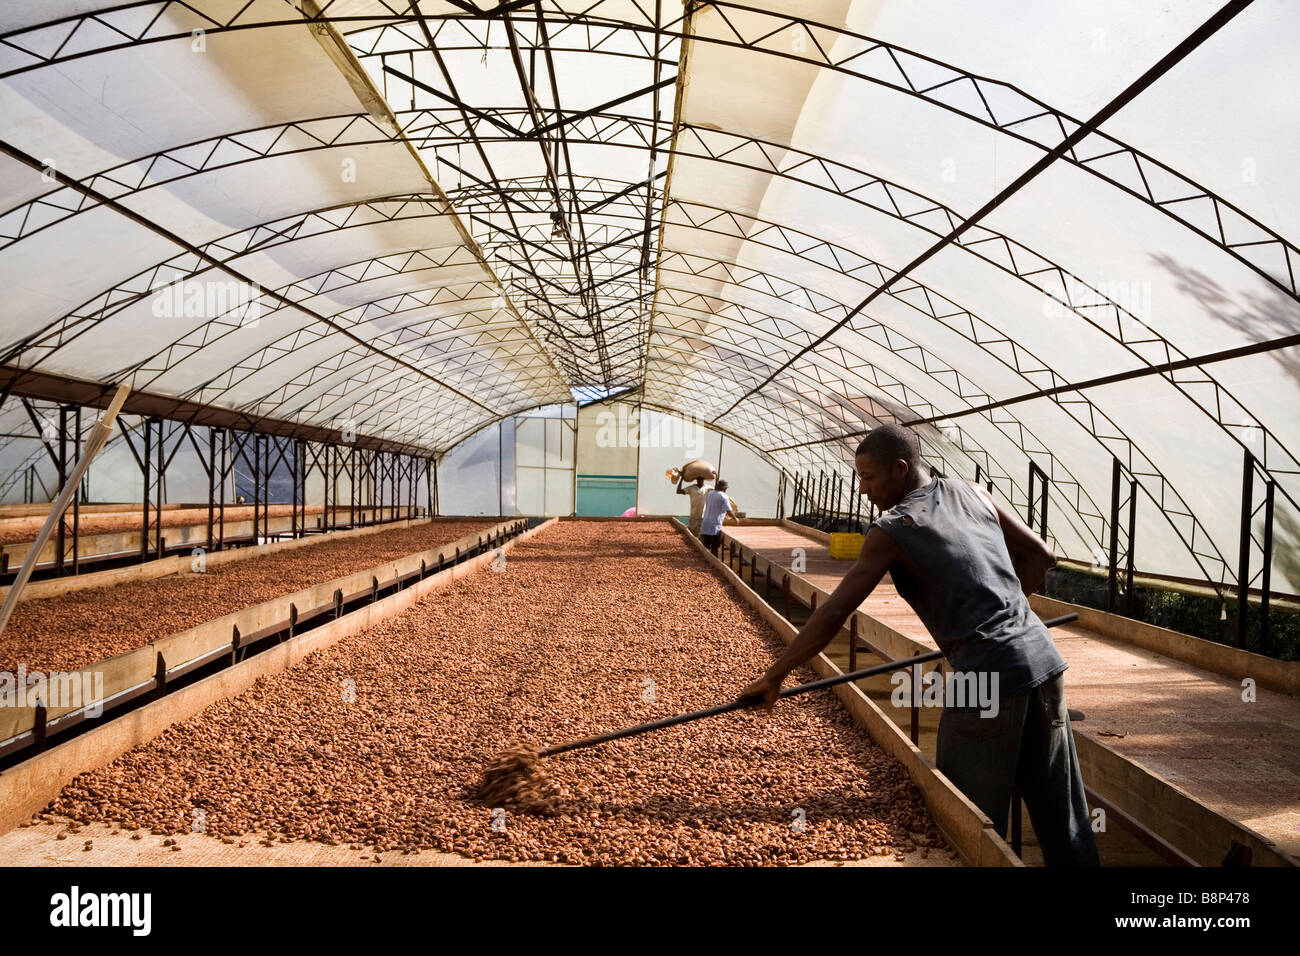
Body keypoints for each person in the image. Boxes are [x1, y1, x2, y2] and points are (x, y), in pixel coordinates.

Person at [738, 424, 1099, 867]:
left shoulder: (894, 528)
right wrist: (1009, 616)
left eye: (869, 478)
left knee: (967, 819)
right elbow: (1041, 554)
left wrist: (775, 675)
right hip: (1044, 659)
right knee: (1063, 815)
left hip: (984, 674)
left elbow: (835, 612)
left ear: (900, 468)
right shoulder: (973, 492)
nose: (863, 489)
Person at [699, 479, 737, 556]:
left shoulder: (710, 494)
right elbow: (729, 511)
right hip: (714, 525)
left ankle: (706, 559)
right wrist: (735, 519)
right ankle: (714, 561)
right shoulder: (724, 496)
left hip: (706, 522)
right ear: (724, 488)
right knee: (715, 546)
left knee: (706, 545)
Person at [676, 472, 711, 537]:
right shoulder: (691, 488)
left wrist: (717, 478)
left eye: (702, 480)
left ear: (703, 480)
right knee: (691, 532)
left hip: (702, 514)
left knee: (702, 533)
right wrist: (681, 479)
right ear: (697, 480)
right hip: (693, 514)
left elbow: (717, 490)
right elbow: (678, 491)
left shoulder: (707, 488)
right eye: (699, 480)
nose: (700, 481)